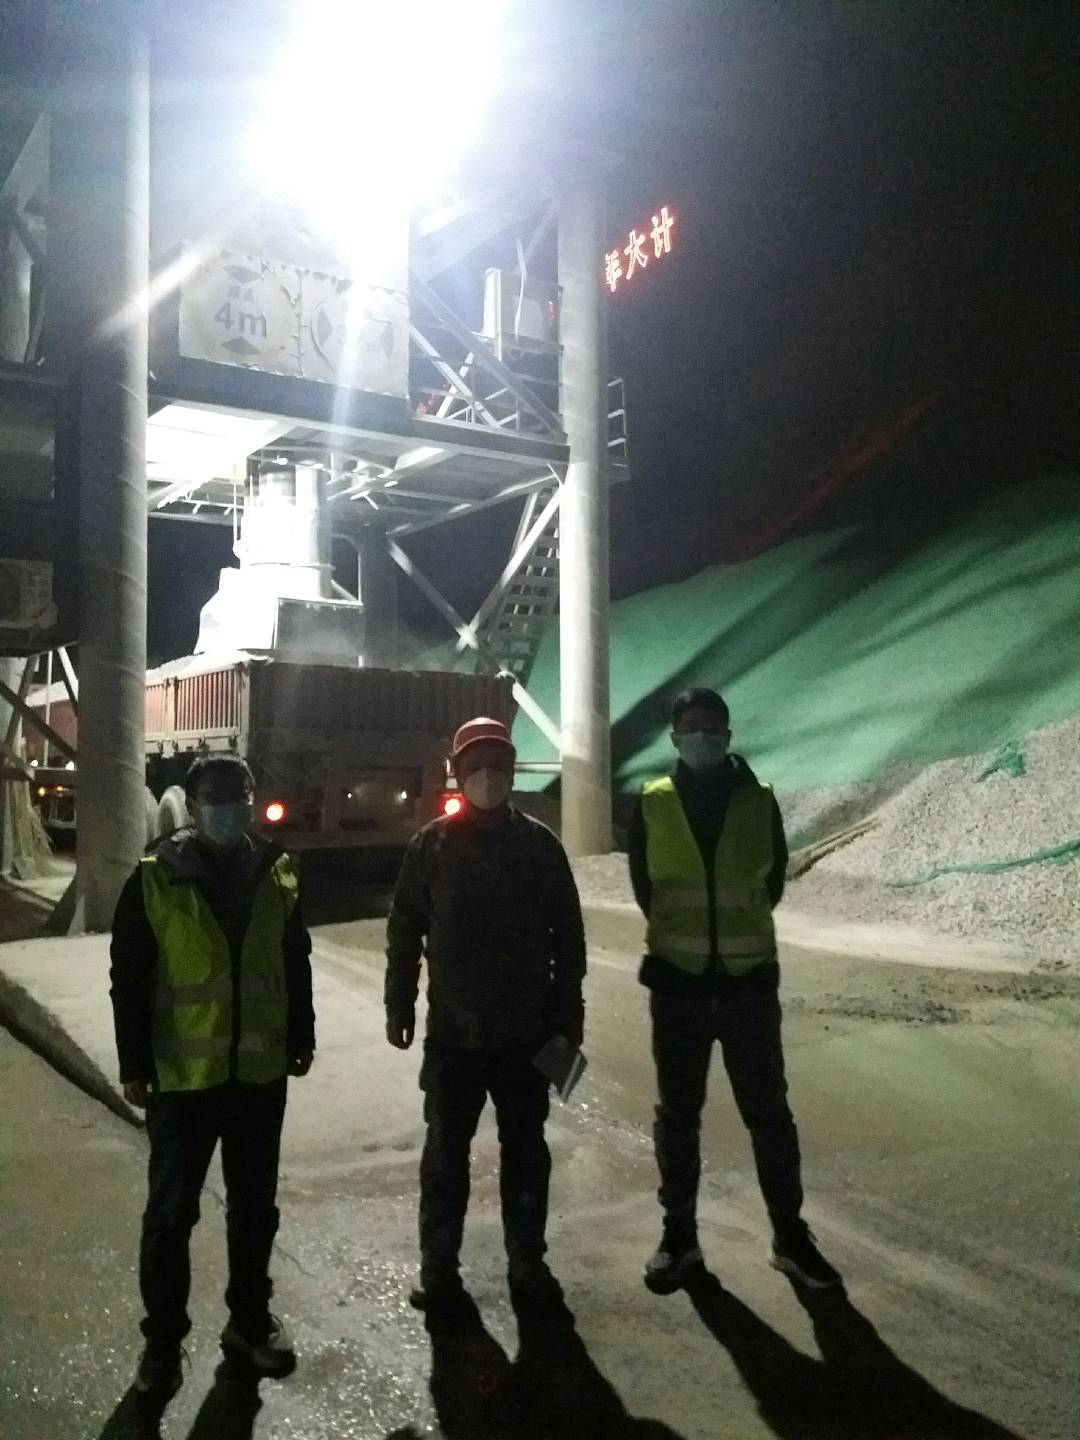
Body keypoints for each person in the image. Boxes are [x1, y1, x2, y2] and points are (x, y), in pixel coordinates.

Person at [110, 754, 315, 1398]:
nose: (228, 807)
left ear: (252, 800)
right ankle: (162, 1344)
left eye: (238, 795)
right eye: (215, 797)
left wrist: (302, 1037)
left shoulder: (277, 870)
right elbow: (129, 978)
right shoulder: (154, 876)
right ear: (193, 806)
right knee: (171, 1217)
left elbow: (295, 960)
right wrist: (134, 1063)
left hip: (257, 1076)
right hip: (183, 1080)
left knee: (255, 1211)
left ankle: (248, 1324)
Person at [628, 687, 841, 1293]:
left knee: (769, 1114)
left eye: (711, 726)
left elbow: (771, 882)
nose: (701, 736)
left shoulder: (758, 800)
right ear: (675, 736)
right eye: (690, 726)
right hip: (679, 986)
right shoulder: (652, 803)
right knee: (678, 1117)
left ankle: (790, 1238)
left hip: (748, 986)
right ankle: (679, 1236)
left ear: (727, 734)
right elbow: (647, 889)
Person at [384, 716, 586, 1308]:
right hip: (456, 1037)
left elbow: (569, 940)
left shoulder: (540, 848)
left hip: (527, 1036)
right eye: (476, 765)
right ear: (457, 771)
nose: (487, 775)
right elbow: (405, 930)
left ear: (513, 769)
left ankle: (527, 1261)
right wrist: (399, 1002)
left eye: (497, 764)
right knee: (445, 1156)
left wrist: (569, 1022)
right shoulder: (431, 847)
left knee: (526, 1153)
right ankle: (439, 1267)